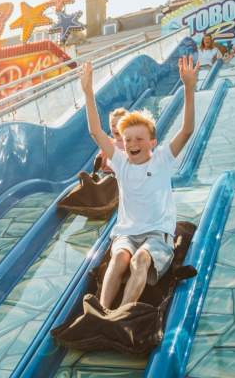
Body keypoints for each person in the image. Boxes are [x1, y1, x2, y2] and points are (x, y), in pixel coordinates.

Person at [79, 56, 199, 309]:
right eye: (128, 139)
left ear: (153, 142)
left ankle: (123, 311)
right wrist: (88, 93)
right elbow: (95, 132)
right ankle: (103, 310)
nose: (133, 144)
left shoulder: (162, 159)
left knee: (139, 261)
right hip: (126, 233)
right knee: (119, 259)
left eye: (139, 139)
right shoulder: (121, 163)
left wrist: (188, 88)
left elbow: (187, 130)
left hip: (158, 233)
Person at [96, 108, 128, 173]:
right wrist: (100, 159)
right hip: (110, 176)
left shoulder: (130, 143)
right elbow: (101, 166)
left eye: (119, 125)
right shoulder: (109, 143)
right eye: (113, 125)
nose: (116, 128)